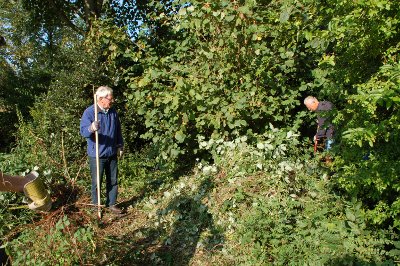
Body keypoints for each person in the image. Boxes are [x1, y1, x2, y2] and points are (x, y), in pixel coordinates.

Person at [80, 86, 124, 214]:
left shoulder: (113, 112)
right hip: (97, 154)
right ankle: (96, 207)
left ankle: (112, 204)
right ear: (100, 99)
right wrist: (91, 128)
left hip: (111, 152)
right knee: (97, 183)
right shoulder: (90, 112)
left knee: (113, 180)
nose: (112, 101)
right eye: (110, 98)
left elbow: (117, 130)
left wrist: (120, 145)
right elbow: (83, 132)